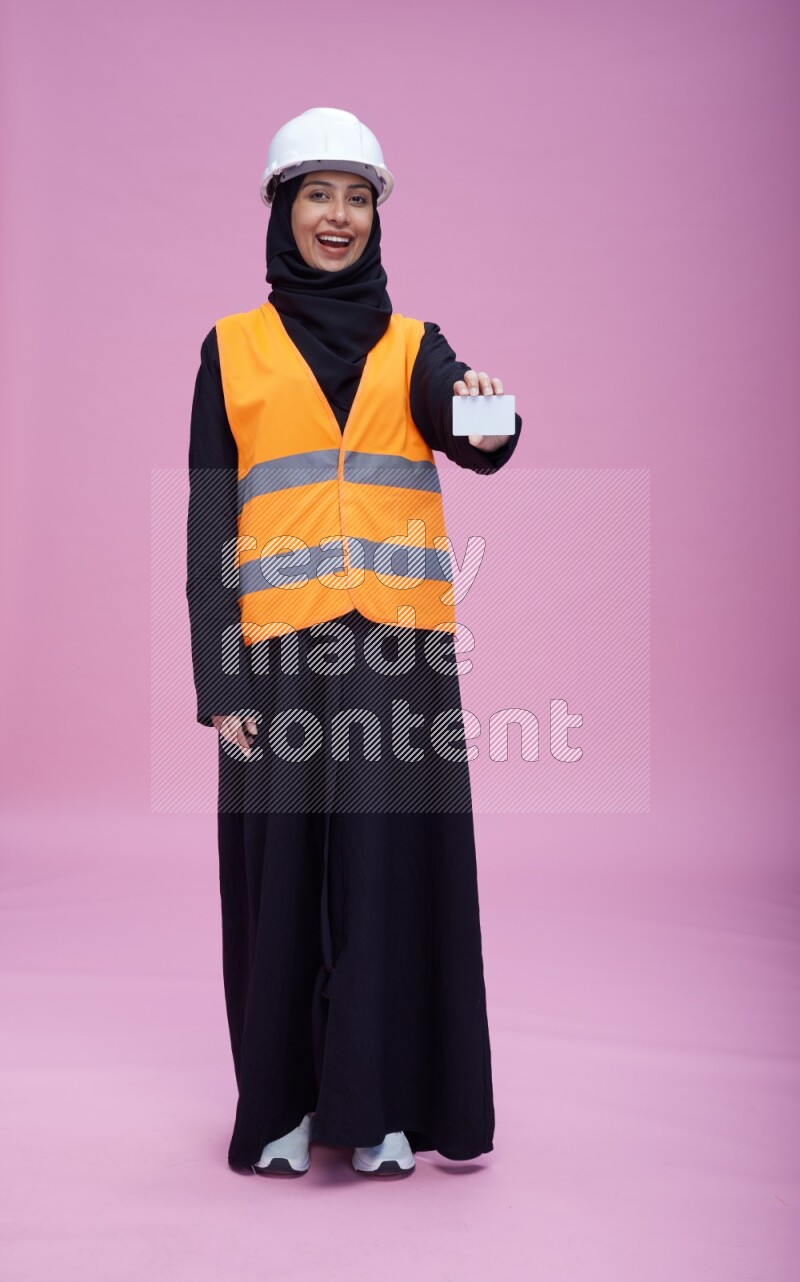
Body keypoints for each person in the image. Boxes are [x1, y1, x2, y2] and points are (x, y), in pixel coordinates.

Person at [186, 107, 522, 1179]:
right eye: (317, 195)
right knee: (282, 879)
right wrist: (219, 681)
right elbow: (210, 520)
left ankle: (382, 1110)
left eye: (357, 197)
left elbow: (480, 442)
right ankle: (283, 1106)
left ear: (378, 215)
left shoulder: (418, 347)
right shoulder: (231, 348)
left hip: (395, 659)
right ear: (282, 209)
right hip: (278, 656)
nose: (338, 216)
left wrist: (489, 411)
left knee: (386, 873)